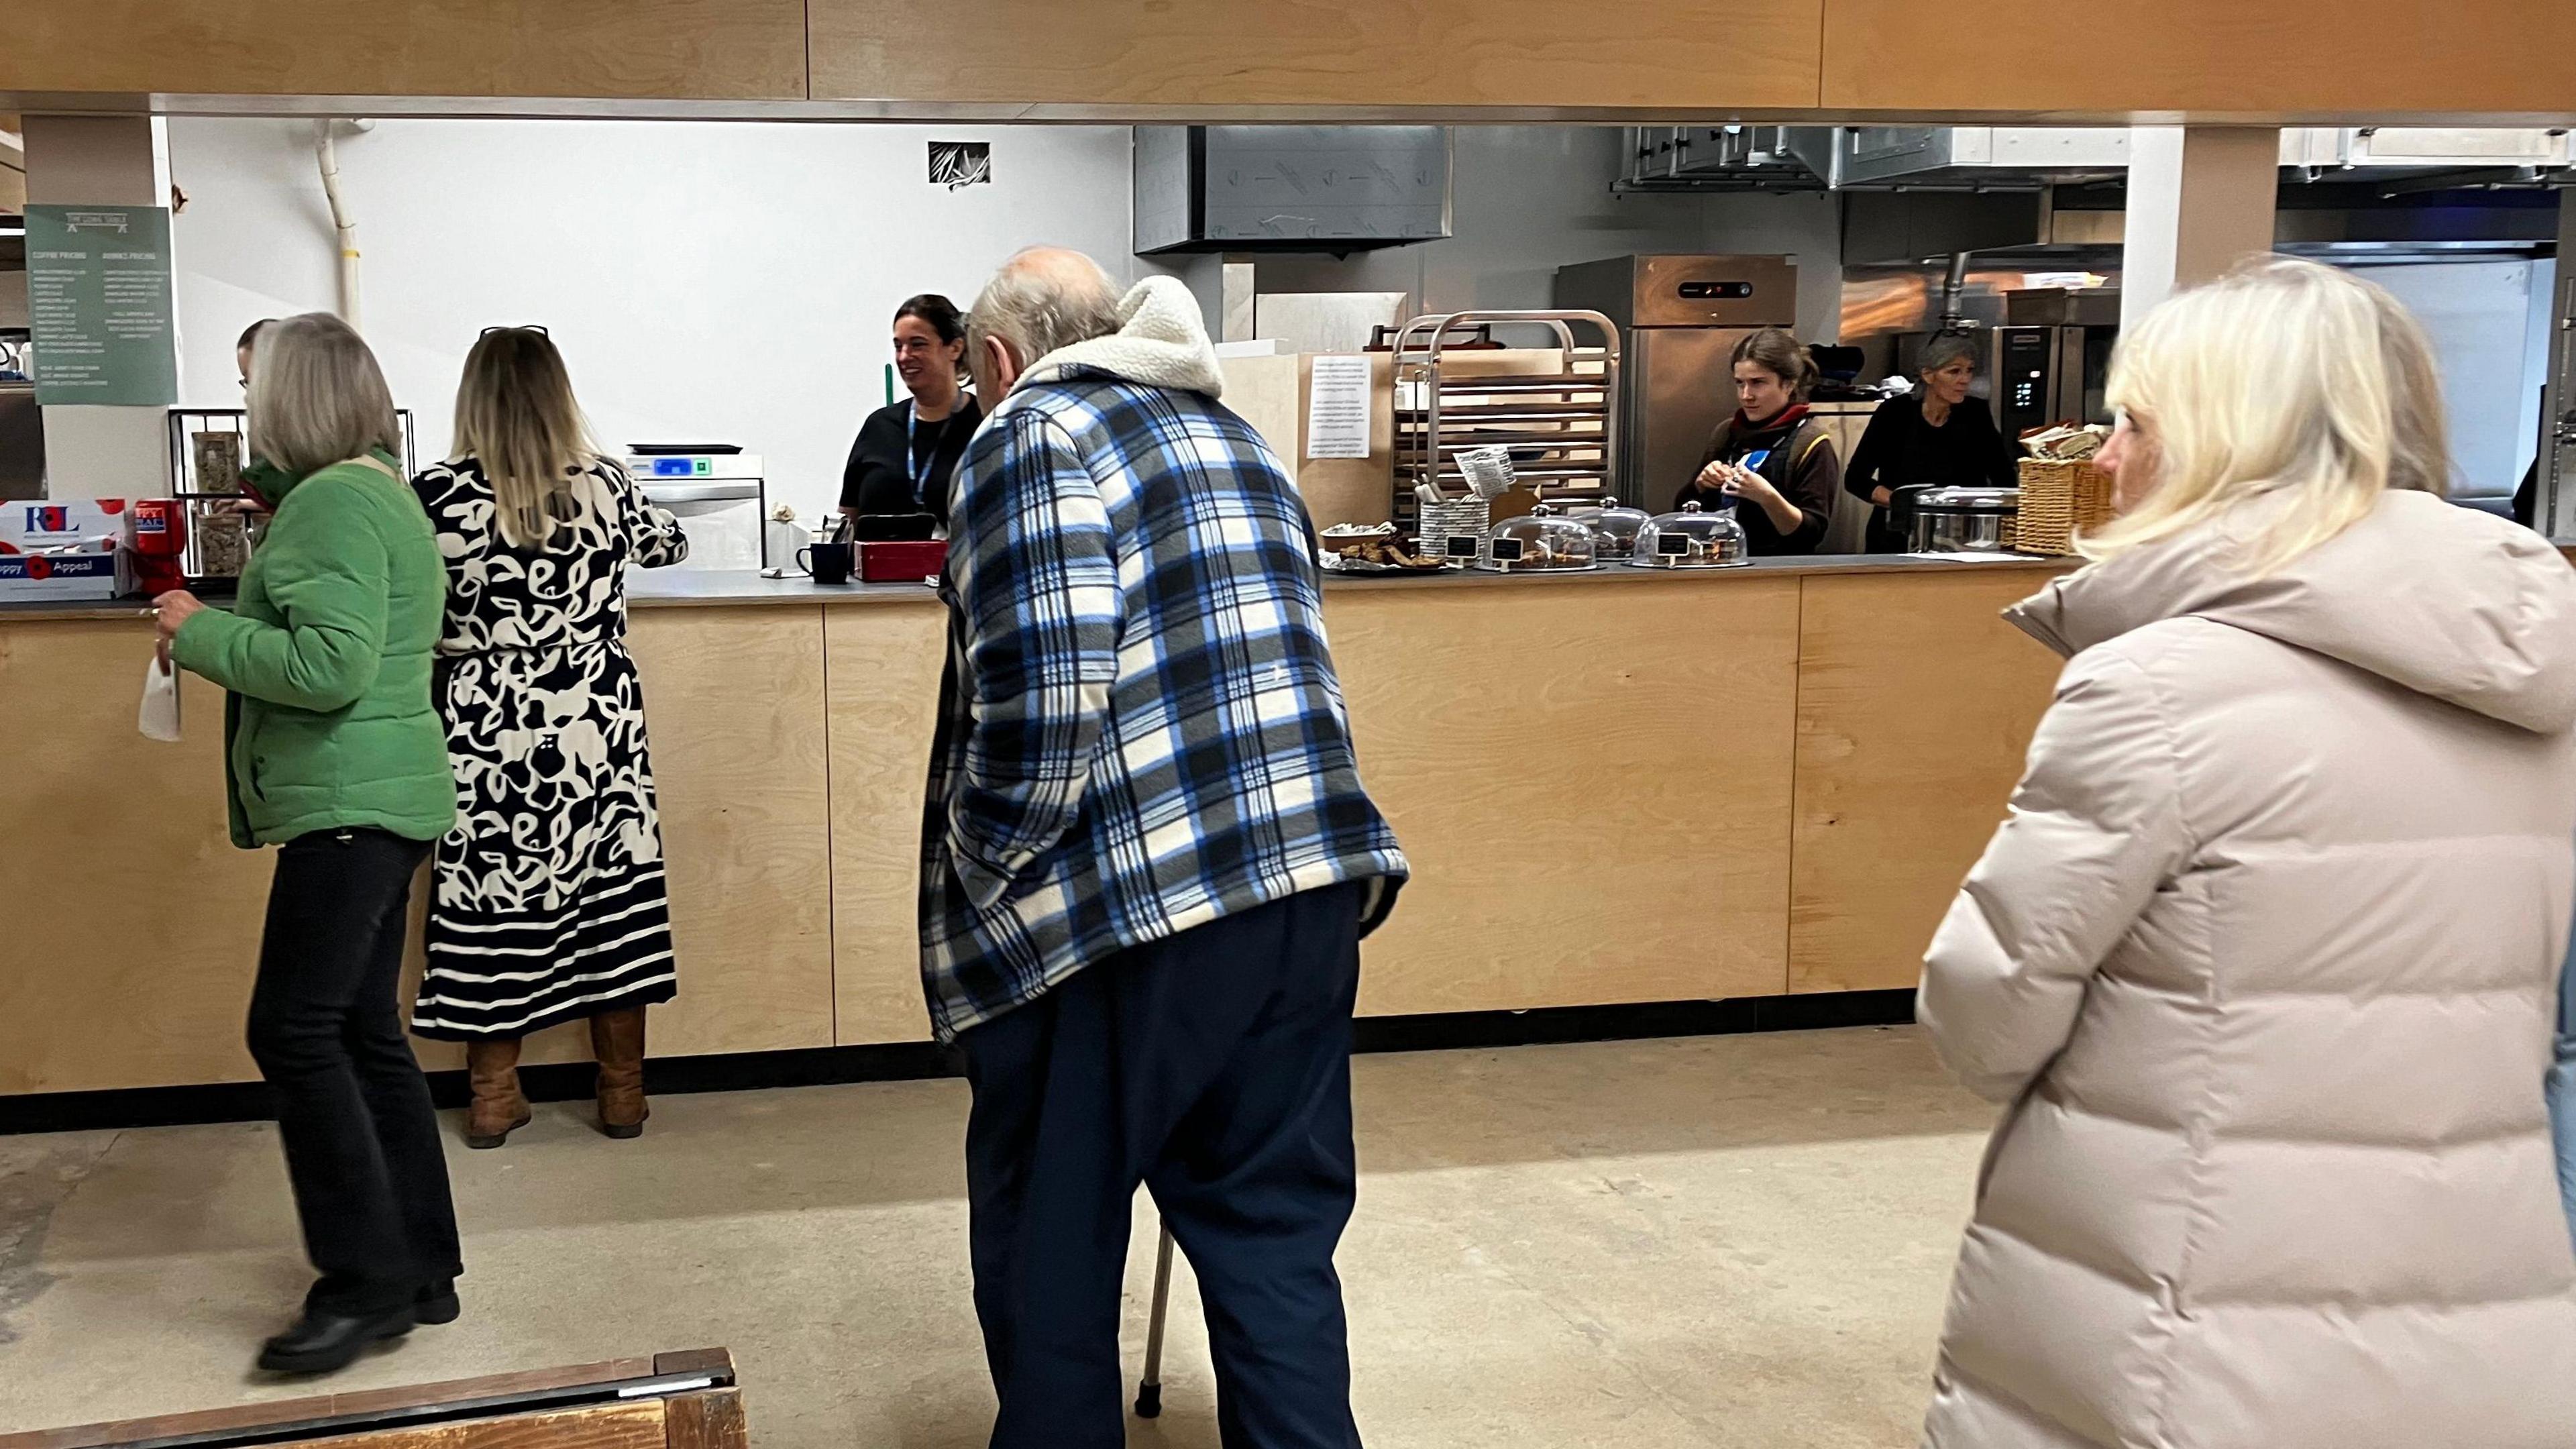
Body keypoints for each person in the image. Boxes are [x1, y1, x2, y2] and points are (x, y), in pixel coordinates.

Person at [1915, 256, 2576, 1449]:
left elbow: (1990, 1013)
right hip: (2480, 1288)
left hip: (2186, 1289)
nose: (2106, 458)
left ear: (2218, 439)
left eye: (2132, 424)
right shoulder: (2537, 679)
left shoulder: (2155, 685)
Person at [927, 248, 1409, 1448]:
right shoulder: (1233, 435)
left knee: (1053, 1245)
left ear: (995, 361)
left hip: (1137, 919)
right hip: (1308, 890)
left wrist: (982, 879)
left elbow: (1046, 703)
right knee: (1272, 1240)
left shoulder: (1029, 435)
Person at [152, 312, 464, 1375]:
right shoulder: (373, 490)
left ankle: (363, 1285)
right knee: (362, 1030)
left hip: (346, 804)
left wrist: (196, 629)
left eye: (255, 390)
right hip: (383, 795)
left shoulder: (333, 503)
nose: (247, 409)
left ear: (293, 400)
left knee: (292, 1030)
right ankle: (420, 1267)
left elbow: (327, 668)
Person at [409, 327, 691, 1148]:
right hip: (594, 719)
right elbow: (669, 545)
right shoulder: (608, 485)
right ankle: (623, 1094)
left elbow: (414, 601)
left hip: (488, 723)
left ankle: (495, 1097)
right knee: (613, 892)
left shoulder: (433, 496)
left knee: (491, 899)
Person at [1843, 333, 2019, 553]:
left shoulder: (1976, 414)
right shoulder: (1896, 413)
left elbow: (2005, 478)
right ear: (1928, 374)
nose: (1965, 379)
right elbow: (1855, 479)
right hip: (1897, 538)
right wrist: (1902, 503)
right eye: (1954, 371)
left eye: (1969, 370)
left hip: (1964, 539)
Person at [1672, 327, 1841, 555]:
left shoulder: (1811, 443)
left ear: (1789, 384)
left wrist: (1767, 497)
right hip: (1718, 563)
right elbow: (1682, 516)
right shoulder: (1726, 433)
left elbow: (1811, 534)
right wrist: (1701, 486)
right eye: (1740, 383)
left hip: (1777, 571)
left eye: (1758, 383)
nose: (1746, 395)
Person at [840, 293, 982, 535]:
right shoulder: (879, 426)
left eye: (918, 344)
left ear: (955, 348)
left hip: (955, 572)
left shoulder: (985, 423)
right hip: (875, 571)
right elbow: (846, 523)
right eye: (898, 346)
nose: (904, 357)